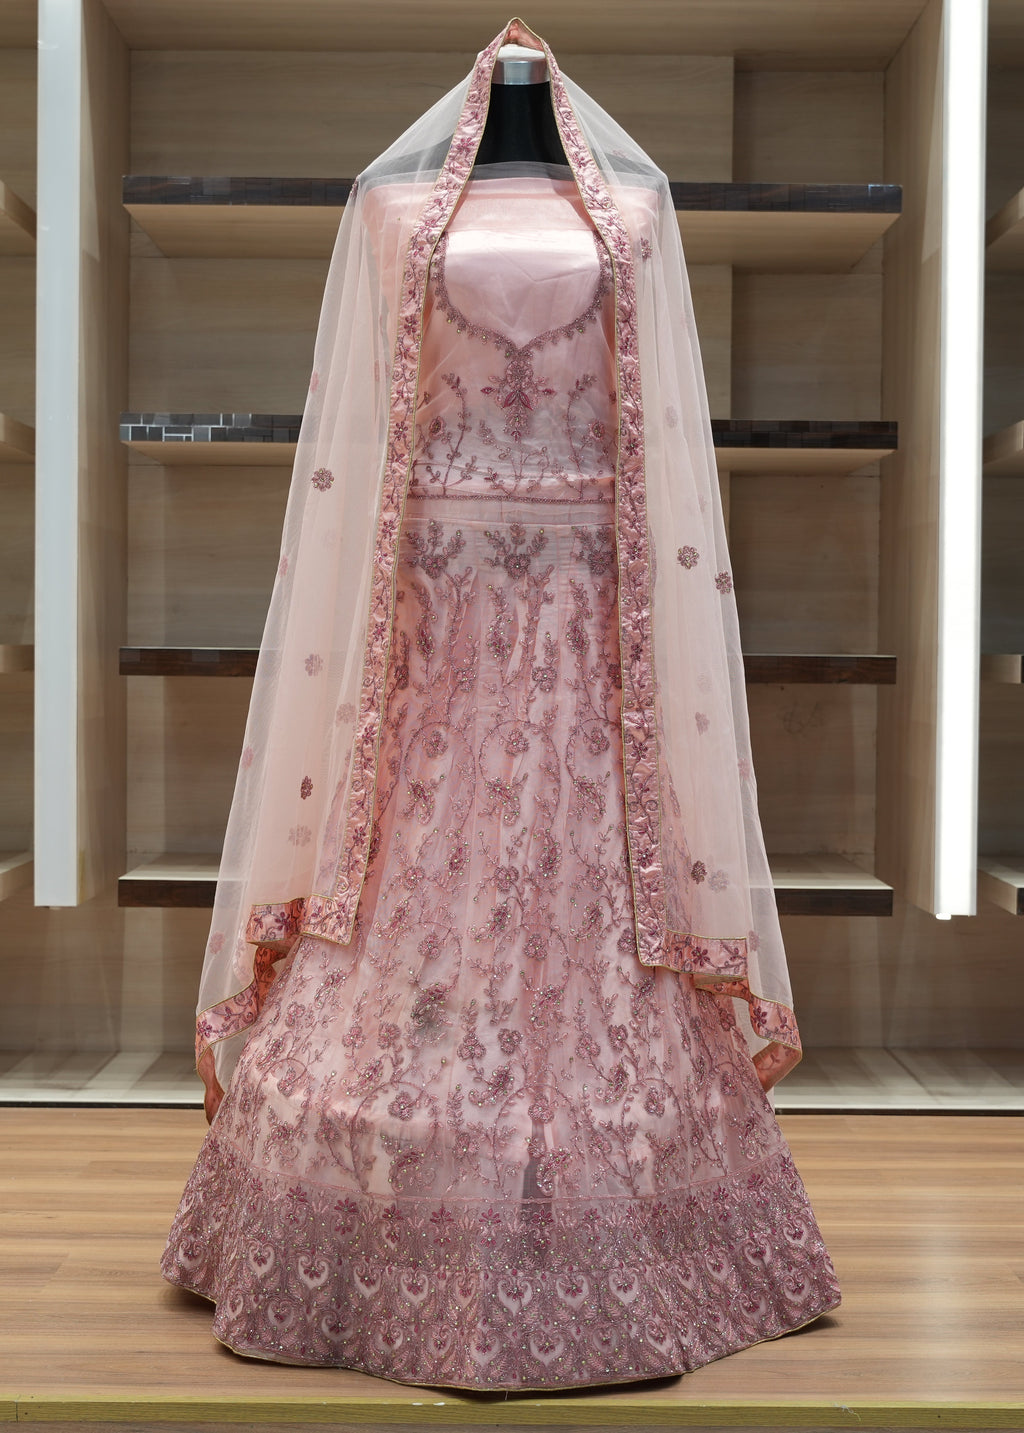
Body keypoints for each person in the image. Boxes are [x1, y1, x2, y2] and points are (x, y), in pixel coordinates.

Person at [162, 17, 841, 1388]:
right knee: (422, 873)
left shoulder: (639, 213)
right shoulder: (392, 210)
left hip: (595, 615)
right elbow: (359, 444)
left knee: (590, 881)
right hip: (438, 607)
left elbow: (661, 453)